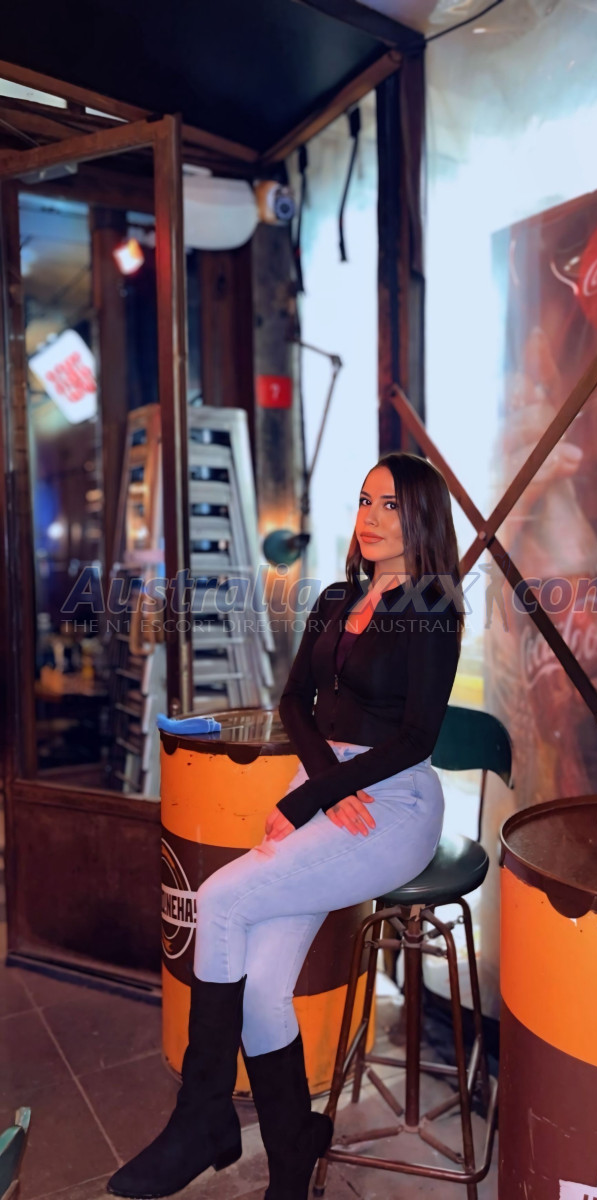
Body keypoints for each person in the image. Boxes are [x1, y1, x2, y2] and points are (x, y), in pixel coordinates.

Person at [108, 451, 464, 1200]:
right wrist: (321, 786)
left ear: (421, 517)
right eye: (364, 501)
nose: (370, 518)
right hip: (330, 787)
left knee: (219, 900)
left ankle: (202, 1117)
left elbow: (416, 738)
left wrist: (314, 798)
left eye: (390, 505)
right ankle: (293, 1153)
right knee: (263, 987)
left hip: (393, 802)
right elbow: (294, 702)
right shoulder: (335, 597)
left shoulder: (431, 609)